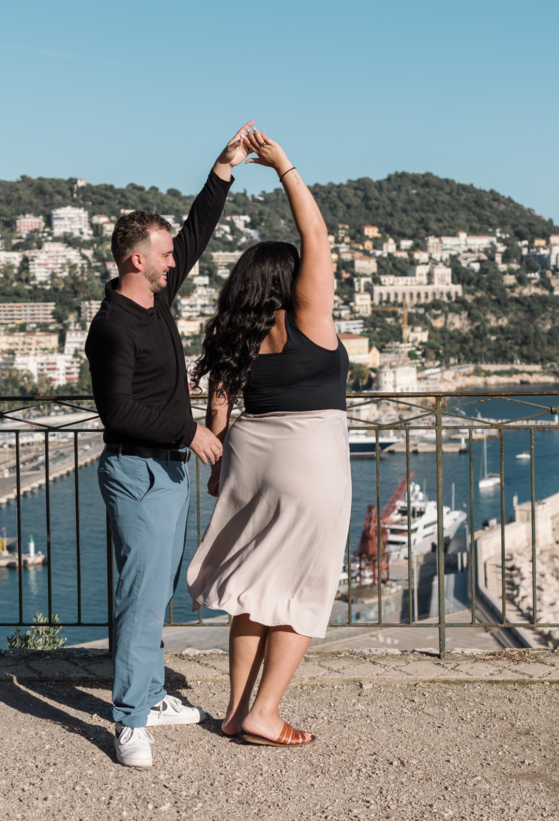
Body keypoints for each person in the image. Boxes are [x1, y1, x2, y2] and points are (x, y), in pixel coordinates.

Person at [85, 121, 256, 769]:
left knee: (152, 594)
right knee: (138, 597)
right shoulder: (113, 328)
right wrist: (190, 430)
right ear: (136, 260)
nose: (172, 260)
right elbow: (119, 411)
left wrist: (225, 166)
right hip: (139, 472)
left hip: (166, 472)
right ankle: (129, 720)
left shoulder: (155, 301)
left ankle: (151, 697)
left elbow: (196, 232)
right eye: (161, 255)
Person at [185, 130, 348, 748]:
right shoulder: (307, 317)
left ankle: (233, 711)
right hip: (310, 458)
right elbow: (319, 240)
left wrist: (217, 467)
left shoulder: (237, 334)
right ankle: (265, 711)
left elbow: (219, 407)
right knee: (304, 590)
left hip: (252, 456)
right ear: (291, 281)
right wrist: (285, 168)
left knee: (254, 589)